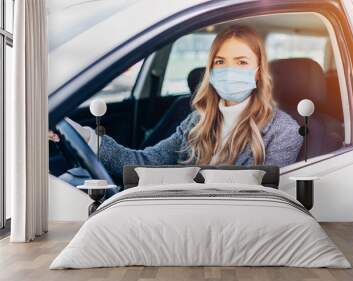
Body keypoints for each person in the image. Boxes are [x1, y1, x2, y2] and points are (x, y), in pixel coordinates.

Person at [51, 25, 303, 180]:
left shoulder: (283, 129)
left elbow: (267, 198)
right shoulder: (197, 120)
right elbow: (145, 163)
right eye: (220, 62)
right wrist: (85, 137)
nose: (229, 70)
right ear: (211, 71)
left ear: (258, 71)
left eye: (241, 62)